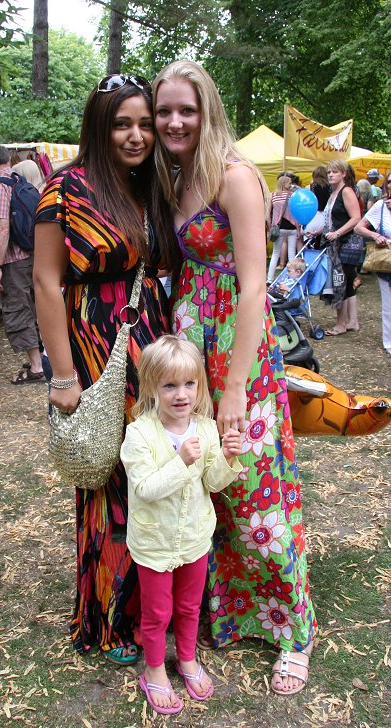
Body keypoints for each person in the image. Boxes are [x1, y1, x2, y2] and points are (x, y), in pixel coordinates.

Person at [153, 60, 316, 696]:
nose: (172, 121)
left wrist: (234, 388)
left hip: (236, 353)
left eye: (185, 110)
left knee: (257, 495)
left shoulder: (235, 177)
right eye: (164, 110)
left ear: (207, 111)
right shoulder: (176, 178)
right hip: (190, 349)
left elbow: (254, 287)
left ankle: (294, 630)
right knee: (209, 493)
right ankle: (230, 613)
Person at [33, 74, 177, 664]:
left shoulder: (153, 186)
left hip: (153, 335)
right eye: (123, 123)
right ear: (100, 125)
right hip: (94, 342)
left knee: (157, 461)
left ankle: (158, 606)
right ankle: (111, 614)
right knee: (109, 472)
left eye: (145, 123)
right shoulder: (64, 187)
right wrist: (63, 377)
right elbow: (45, 281)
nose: (138, 135)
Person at [121, 335, 243, 714]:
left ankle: (187, 659)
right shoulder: (140, 434)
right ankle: (155, 670)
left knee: (190, 606)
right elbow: (144, 488)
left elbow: (212, 483)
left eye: (189, 383)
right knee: (157, 613)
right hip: (155, 544)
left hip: (193, 538)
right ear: (152, 388)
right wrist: (181, 463)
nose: (181, 394)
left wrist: (225, 458)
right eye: (169, 385)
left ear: (199, 385)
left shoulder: (205, 428)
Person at [0, 145, 44, 383]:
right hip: (33, 254)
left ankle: (37, 368)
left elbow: (1, 226)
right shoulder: (19, 179)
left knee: (19, 308)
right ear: (8, 159)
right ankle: (40, 358)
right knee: (36, 307)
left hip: (15, 260)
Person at [322, 159, 362, 336]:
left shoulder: (346, 192)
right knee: (348, 282)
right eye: (329, 172)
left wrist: (337, 233)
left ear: (343, 174)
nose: (330, 174)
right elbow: (330, 219)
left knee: (340, 282)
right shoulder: (333, 193)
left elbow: (356, 218)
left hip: (348, 243)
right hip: (338, 242)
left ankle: (341, 323)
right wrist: (317, 231)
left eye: (334, 172)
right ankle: (352, 321)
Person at [355, 171, 391, 355]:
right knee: (388, 303)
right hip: (386, 262)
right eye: (390, 182)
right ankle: (389, 341)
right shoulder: (380, 206)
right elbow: (358, 227)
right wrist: (375, 235)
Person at [266, 174, 299, 283]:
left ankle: (269, 279)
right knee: (292, 255)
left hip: (278, 228)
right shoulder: (293, 196)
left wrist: (271, 226)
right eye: (289, 183)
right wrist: (298, 229)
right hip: (292, 228)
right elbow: (296, 214)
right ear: (284, 183)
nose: (291, 185)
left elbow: (267, 215)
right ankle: (292, 279)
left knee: (275, 254)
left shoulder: (273, 195)